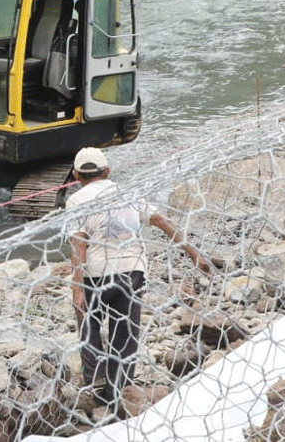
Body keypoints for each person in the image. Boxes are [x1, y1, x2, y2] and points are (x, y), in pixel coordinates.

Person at [66, 147, 212, 407]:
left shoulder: (76, 200)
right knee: (125, 331)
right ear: (107, 172)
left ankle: (96, 380)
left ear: (76, 176)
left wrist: (77, 289)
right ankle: (119, 389)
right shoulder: (128, 192)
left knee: (89, 323)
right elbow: (160, 220)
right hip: (132, 271)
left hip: (97, 274)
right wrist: (193, 253)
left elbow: (79, 244)